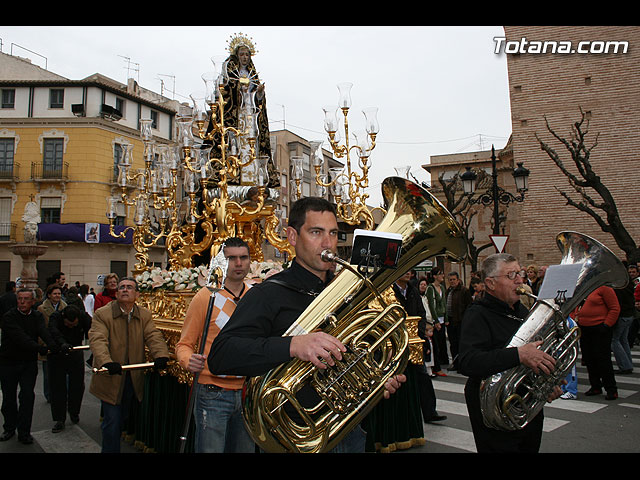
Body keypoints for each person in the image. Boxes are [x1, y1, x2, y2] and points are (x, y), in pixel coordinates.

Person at [208, 197, 405, 453]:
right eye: (316, 232)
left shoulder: (350, 293)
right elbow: (221, 355)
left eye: (333, 233)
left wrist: (380, 381)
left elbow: (367, 350)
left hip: (349, 430)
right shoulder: (268, 294)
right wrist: (292, 346)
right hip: (295, 436)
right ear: (292, 236)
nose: (328, 243)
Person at [458, 253, 564, 453]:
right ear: (490, 283)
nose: (519, 280)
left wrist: (548, 380)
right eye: (511, 275)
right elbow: (467, 361)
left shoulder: (522, 311)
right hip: (493, 409)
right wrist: (518, 355)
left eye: (520, 273)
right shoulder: (477, 314)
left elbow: (536, 353)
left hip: (527, 405)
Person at [175, 237, 255, 453]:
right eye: (231, 258)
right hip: (212, 393)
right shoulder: (205, 297)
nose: (238, 263)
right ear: (222, 262)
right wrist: (187, 359)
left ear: (250, 261)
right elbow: (184, 344)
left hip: (248, 393)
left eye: (243, 258)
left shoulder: (256, 295)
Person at [88, 277, 170, 453]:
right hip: (111, 377)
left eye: (130, 287)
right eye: (122, 288)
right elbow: (98, 339)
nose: (125, 290)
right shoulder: (103, 314)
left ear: (137, 294)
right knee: (112, 421)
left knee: (122, 417)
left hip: (132, 377)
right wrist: (107, 362)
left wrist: (161, 355)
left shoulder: (144, 314)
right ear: (116, 293)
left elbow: (153, 336)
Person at [0, 288, 58, 444]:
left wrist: (54, 345)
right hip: (8, 362)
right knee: (8, 398)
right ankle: (9, 428)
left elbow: (43, 332)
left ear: (33, 301)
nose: (22, 302)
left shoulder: (37, 316)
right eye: (20, 299)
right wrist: (42, 349)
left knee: (27, 396)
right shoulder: (9, 317)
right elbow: (20, 338)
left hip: (28, 363)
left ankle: (24, 431)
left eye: (26, 299)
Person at [392, 270, 446, 425]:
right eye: (405, 270)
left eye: (410, 271)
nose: (408, 273)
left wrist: (419, 332)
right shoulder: (391, 290)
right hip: (397, 341)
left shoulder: (413, 291)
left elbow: (421, 313)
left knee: (422, 376)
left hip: (414, 340)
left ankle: (430, 411)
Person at [47, 304, 91, 432]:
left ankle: (74, 412)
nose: (70, 326)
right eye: (68, 325)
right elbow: (53, 331)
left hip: (75, 353)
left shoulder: (84, 317)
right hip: (58, 354)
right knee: (57, 387)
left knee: (77, 386)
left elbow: (93, 331)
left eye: (74, 325)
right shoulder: (55, 317)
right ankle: (59, 419)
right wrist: (62, 343)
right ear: (63, 318)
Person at [574, 285, 620, 400]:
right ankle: (595, 386)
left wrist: (606, 325)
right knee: (589, 359)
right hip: (584, 328)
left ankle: (611, 389)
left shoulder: (605, 288)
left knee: (603, 359)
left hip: (600, 328)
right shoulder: (585, 288)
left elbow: (615, 308)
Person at [37, 284, 67, 403]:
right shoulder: (41, 308)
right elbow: (40, 328)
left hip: (60, 343)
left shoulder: (65, 307)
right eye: (55, 294)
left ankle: (60, 394)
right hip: (47, 343)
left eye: (59, 294)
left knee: (61, 373)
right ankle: (49, 395)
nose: (57, 296)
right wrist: (42, 343)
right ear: (49, 295)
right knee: (48, 373)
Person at [445, 271, 472, 371]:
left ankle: (462, 364)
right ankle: (456, 364)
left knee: (461, 343)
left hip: (460, 321)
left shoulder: (464, 291)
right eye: (450, 280)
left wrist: (466, 320)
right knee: (453, 343)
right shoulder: (448, 291)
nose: (452, 282)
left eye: (454, 280)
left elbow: (469, 306)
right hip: (451, 321)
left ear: (458, 280)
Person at [425, 268, 448, 375]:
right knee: (436, 344)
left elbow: (444, 303)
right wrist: (435, 321)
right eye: (440, 274)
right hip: (435, 319)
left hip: (442, 317)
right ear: (434, 276)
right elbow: (431, 305)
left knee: (442, 342)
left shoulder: (442, 288)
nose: (442, 275)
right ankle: (436, 366)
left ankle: (442, 362)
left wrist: (446, 318)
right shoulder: (430, 288)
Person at [612, 268, 635, 375]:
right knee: (623, 340)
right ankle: (628, 364)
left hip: (622, 315)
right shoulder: (628, 284)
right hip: (629, 315)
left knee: (614, 340)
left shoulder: (619, 286)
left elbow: (617, 303)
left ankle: (625, 366)